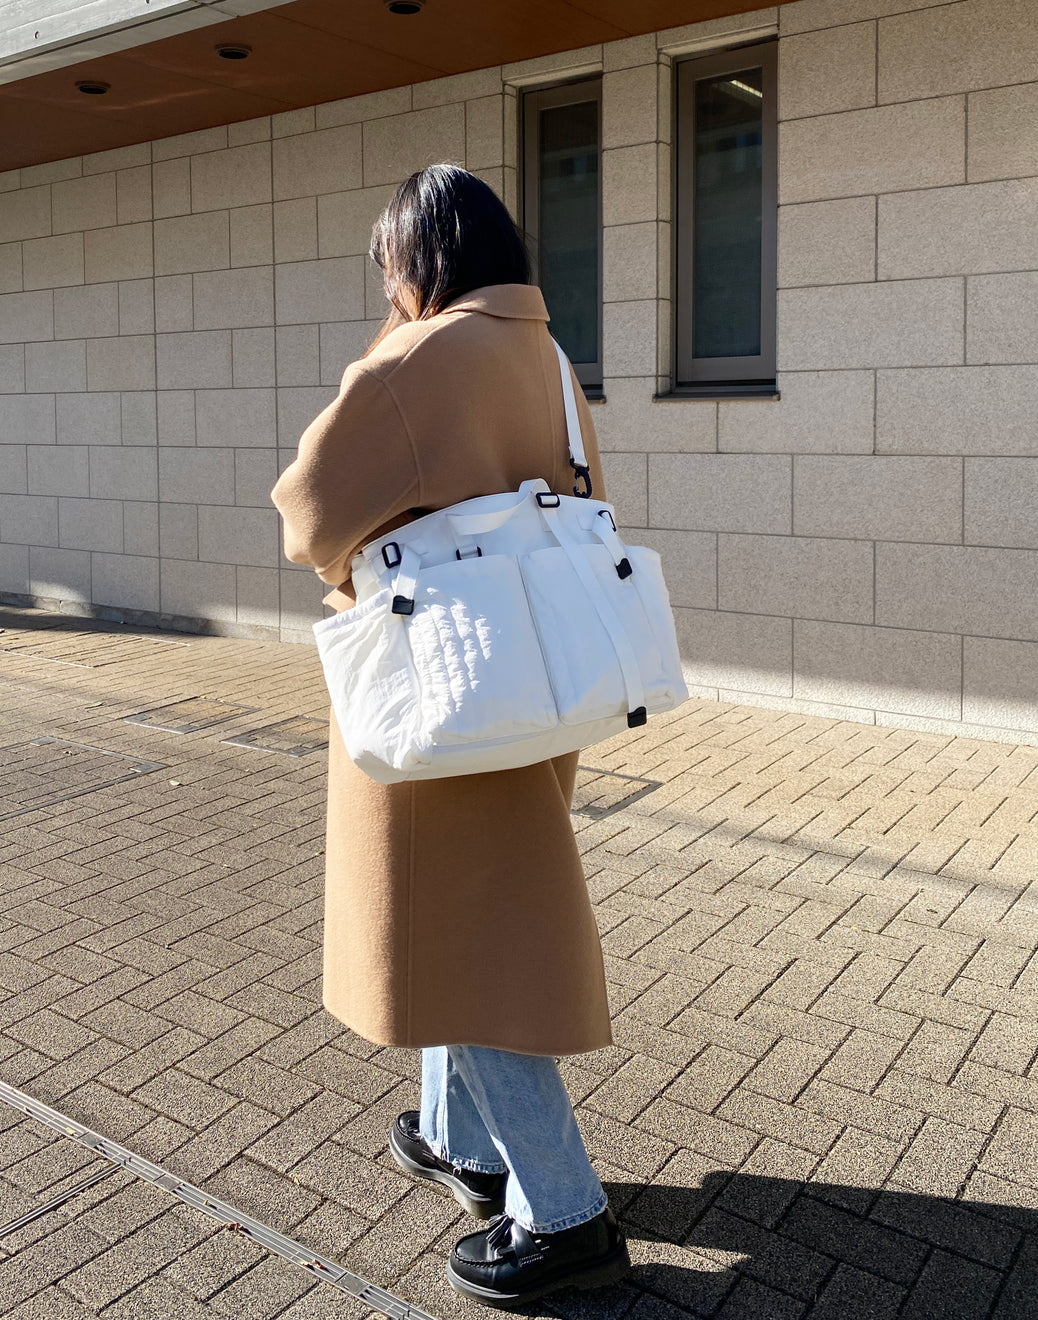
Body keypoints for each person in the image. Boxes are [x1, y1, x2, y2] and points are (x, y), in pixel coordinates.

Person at [270, 163, 631, 1308]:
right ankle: (459, 1141)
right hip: (528, 683)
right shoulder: (547, 356)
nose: (385, 279)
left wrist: (383, 350)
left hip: (436, 687)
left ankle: (564, 1213)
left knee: (464, 943)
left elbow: (305, 512)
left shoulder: (421, 359)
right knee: (469, 915)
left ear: (416, 258)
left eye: (389, 260)